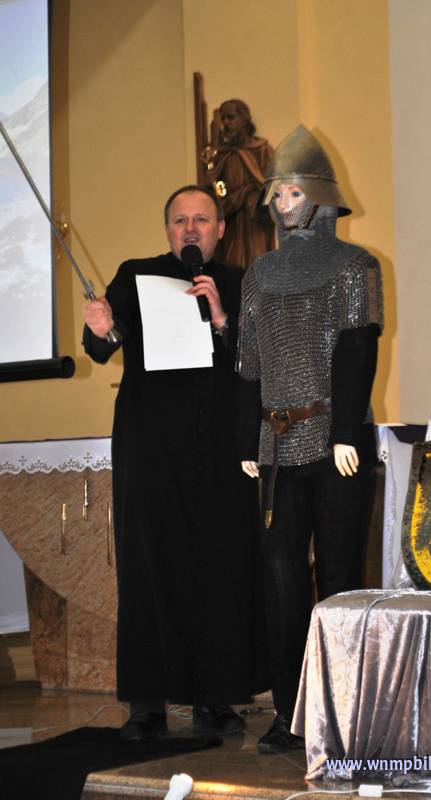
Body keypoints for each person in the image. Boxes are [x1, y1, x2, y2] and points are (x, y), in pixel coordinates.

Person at [83, 185, 267, 741]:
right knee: (149, 564)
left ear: (220, 229)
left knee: (220, 565)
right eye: (180, 220)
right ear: (167, 230)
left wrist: (221, 318)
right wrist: (99, 328)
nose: (190, 229)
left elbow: (258, 359)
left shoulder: (242, 282)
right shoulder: (135, 274)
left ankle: (216, 698)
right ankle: (147, 704)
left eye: (201, 220)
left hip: (221, 448)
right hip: (150, 446)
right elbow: (103, 345)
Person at [236, 126, 383, 754]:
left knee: (342, 575)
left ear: (320, 198)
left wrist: (346, 431)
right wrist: (249, 440)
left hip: (335, 444)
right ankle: (289, 713)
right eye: (277, 193)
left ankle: (344, 710)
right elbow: (249, 366)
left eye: (293, 193)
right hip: (276, 448)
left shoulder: (354, 266)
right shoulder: (258, 276)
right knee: (280, 580)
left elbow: (357, 352)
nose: (282, 203)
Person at [206, 99, 275, 268]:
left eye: (231, 117)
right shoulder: (221, 155)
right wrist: (236, 197)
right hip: (231, 226)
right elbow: (214, 191)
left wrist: (252, 194)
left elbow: (274, 188)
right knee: (231, 269)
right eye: (223, 119)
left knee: (256, 267)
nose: (226, 123)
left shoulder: (262, 150)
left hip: (256, 225)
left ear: (244, 120)